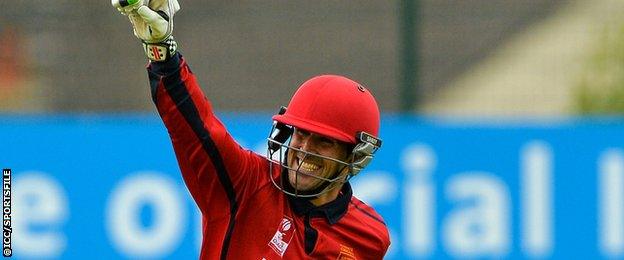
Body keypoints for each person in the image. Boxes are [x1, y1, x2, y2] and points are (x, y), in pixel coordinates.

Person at [112, 0, 390, 259]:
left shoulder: (371, 237)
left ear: (355, 156)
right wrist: (163, 52)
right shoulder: (245, 184)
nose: (304, 150)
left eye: (323, 142)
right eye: (301, 134)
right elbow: (198, 130)